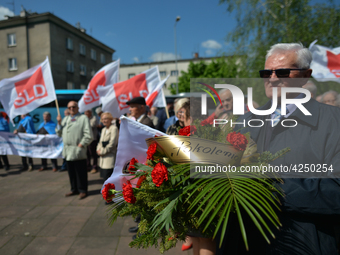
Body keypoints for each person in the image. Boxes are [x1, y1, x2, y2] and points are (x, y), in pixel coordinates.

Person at [224, 42, 340, 254]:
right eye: (266, 72)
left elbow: (336, 189)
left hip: (305, 244)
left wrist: (272, 189)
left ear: (306, 75)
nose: (273, 78)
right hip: (247, 242)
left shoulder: (333, 121)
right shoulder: (245, 120)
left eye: (282, 71)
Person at [56, 101, 93, 200]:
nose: (71, 108)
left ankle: (82, 190)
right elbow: (59, 133)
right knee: (71, 172)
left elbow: (89, 135)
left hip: (77, 150)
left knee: (80, 172)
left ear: (77, 107)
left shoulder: (83, 118)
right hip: (67, 150)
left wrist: (81, 145)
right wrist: (59, 123)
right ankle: (74, 189)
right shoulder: (66, 119)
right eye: (69, 107)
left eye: (73, 107)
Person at [96, 112, 118, 202]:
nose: (104, 121)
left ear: (110, 119)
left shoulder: (114, 128)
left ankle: (112, 198)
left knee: (109, 179)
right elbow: (100, 142)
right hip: (102, 158)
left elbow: (112, 143)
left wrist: (103, 151)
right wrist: (98, 150)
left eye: (106, 119)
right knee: (105, 179)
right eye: (103, 119)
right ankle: (108, 197)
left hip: (109, 157)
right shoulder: (103, 129)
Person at [84, 109, 99, 174]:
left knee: (93, 153)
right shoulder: (83, 118)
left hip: (93, 139)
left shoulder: (94, 118)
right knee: (87, 154)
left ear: (90, 112)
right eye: (85, 112)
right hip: (86, 139)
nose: (86, 113)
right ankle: (88, 166)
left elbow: (91, 126)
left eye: (87, 112)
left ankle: (95, 167)